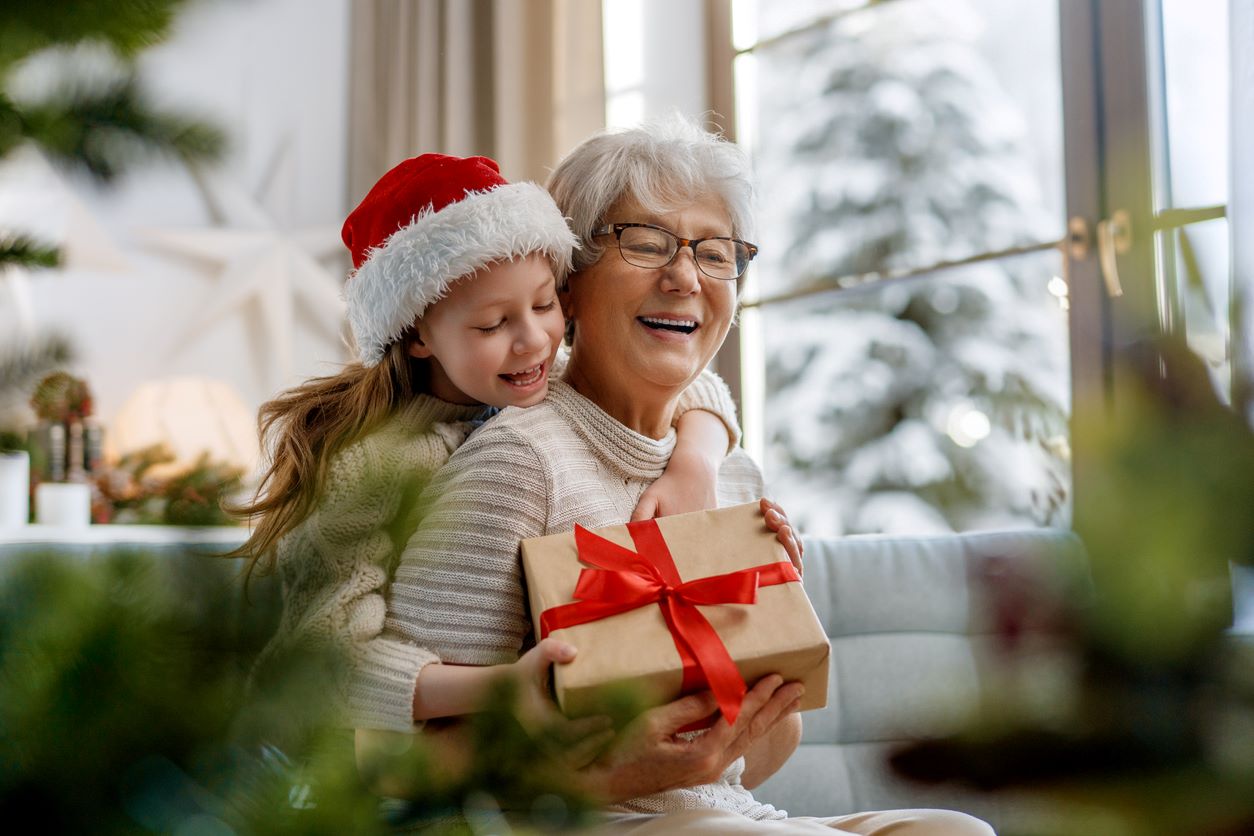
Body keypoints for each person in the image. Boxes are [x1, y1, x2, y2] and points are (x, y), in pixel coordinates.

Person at [361, 119, 996, 834]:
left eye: (715, 252)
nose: (686, 276)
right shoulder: (516, 460)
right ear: (568, 281)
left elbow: (752, 758)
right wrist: (608, 771)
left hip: (726, 815)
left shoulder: (727, 470)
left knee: (955, 830)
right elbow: (389, 762)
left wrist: (767, 639)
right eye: (646, 241)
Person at [233, 153, 796, 739]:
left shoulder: (530, 384)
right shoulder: (371, 464)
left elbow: (694, 383)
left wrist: (695, 460)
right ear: (418, 334)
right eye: (493, 324)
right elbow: (325, 663)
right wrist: (507, 686)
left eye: (544, 305)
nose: (533, 342)